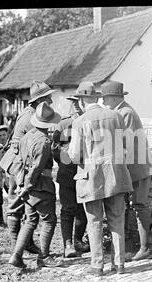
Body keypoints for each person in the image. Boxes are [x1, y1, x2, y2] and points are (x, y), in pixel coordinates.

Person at [67, 81, 133, 276]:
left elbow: (73, 156)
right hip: (116, 175)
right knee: (117, 220)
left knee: (94, 222)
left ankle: (97, 266)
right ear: (95, 98)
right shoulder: (116, 116)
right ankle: (119, 264)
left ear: (82, 100)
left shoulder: (80, 122)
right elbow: (124, 144)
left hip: (91, 178)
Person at [0, 80, 57, 254]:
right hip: (21, 167)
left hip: (18, 163)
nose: (51, 102)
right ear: (40, 101)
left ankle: (22, 246)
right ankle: (17, 246)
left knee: (24, 208)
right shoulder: (32, 118)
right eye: (48, 98)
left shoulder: (27, 112)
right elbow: (39, 144)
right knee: (17, 205)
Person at [101, 80, 152, 261]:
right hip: (130, 167)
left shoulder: (126, 113)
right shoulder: (119, 112)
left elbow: (127, 143)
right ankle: (131, 246)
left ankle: (146, 248)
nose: (103, 103)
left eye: (105, 99)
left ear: (115, 98)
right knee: (129, 207)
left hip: (137, 167)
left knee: (139, 206)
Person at [8, 101, 62, 268]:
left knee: (30, 221)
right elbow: (36, 168)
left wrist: (22, 185)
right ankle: (44, 257)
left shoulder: (27, 136)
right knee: (49, 220)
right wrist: (28, 186)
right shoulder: (44, 141)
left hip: (27, 185)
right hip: (40, 186)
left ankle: (16, 256)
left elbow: (20, 161)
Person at [52, 96, 89, 258]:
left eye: (79, 104)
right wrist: (64, 160)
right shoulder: (64, 124)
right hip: (67, 174)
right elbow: (54, 148)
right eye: (74, 105)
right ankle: (68, 244)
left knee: (82, 209)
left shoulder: (89, 122)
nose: (76, 108)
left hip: (84, 173)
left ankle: (78, 240)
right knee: (68, 209)